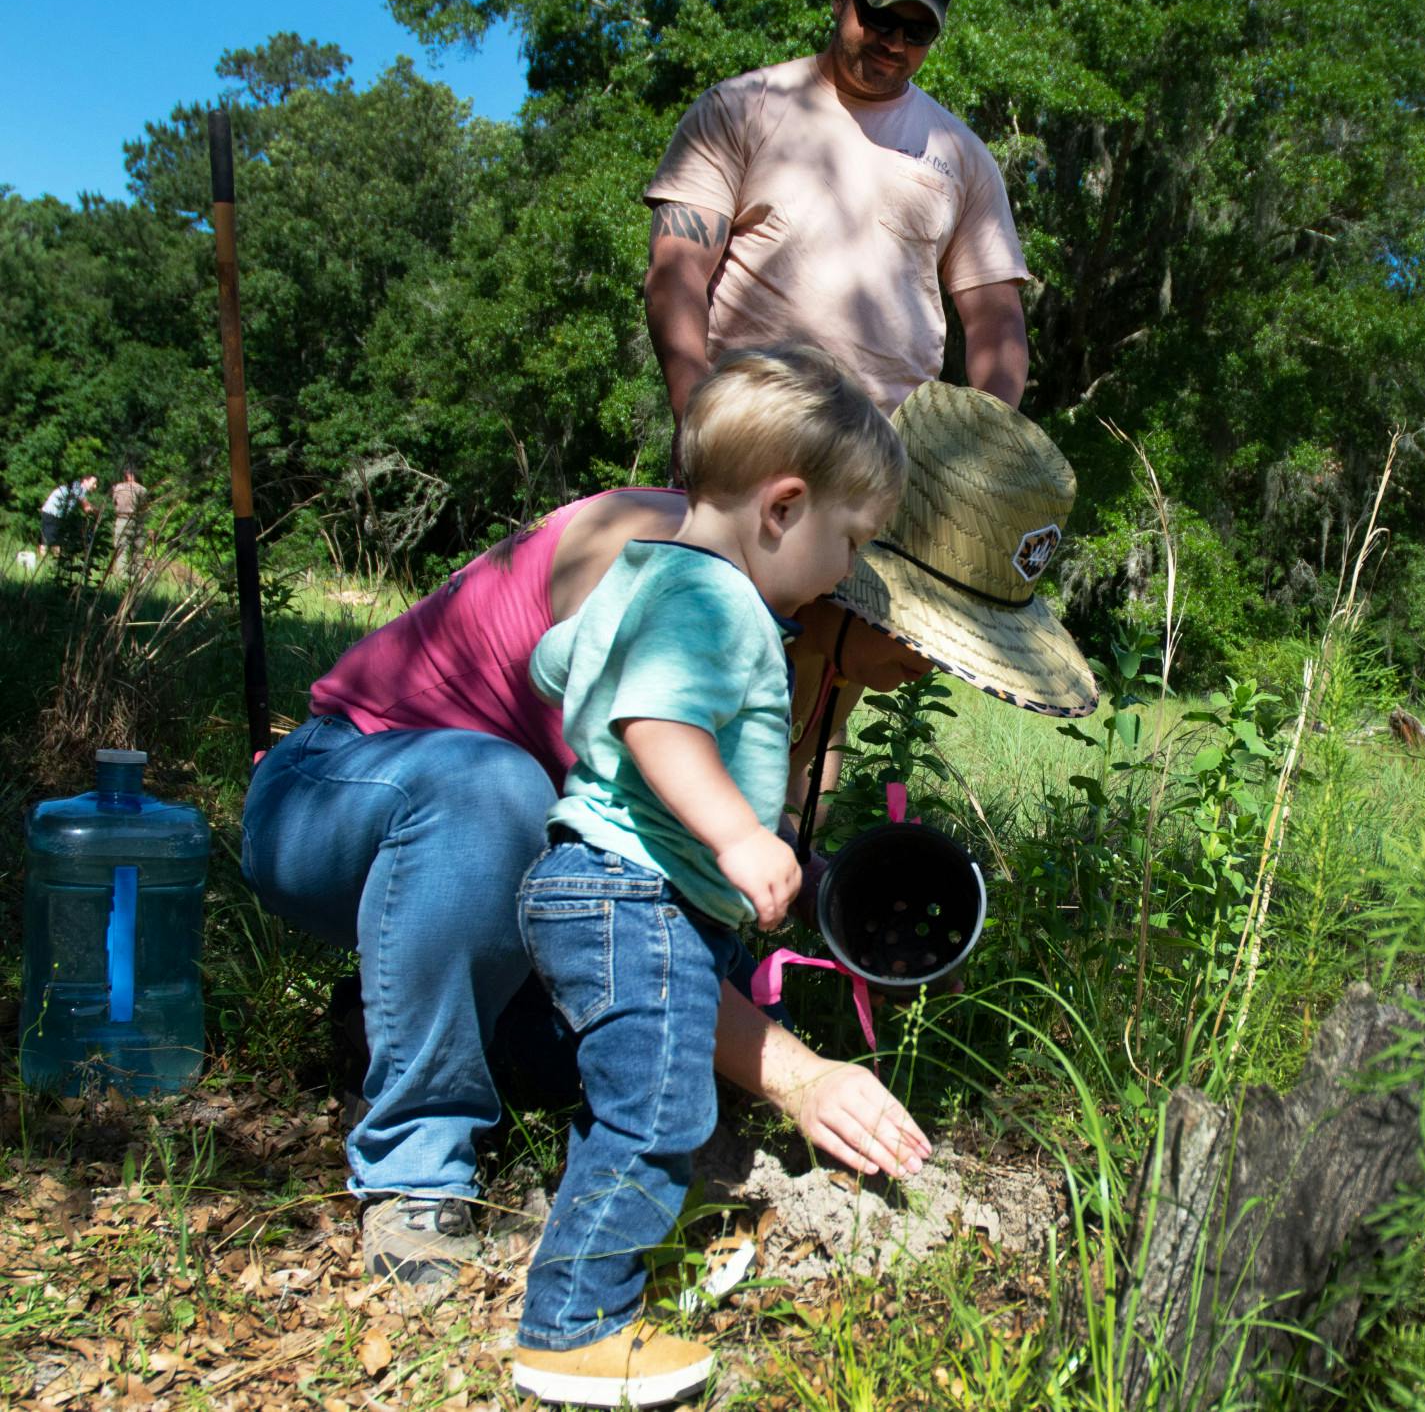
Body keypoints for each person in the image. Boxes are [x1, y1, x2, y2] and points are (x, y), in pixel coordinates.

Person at [238, 375, 1096, 1296]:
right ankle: (415, 1165)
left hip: (528, 868)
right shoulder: (670, 572)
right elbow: (629, 891)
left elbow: (724, 869)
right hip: (341, 800)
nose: (926, 664)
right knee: (500, 790)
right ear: (814, 526)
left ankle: (411, 1013)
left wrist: (841, 914)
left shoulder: (803, 643)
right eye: (931, 635)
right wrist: (800, 1077)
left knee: (622, 1042)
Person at [509, 347, 905, 1405]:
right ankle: (574, 1330)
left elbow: (556, 666)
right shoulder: (723, 604)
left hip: (587, 881)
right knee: (656, 1108)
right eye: (850, 541)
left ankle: (589, 1211)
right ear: (782, 506)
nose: (844, 575)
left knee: (625, 1083)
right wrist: (736, 836)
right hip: (630, 892)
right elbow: (657, 720)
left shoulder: (641, 569)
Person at [643, 0, 1029, 475]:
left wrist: (981, 449)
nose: (894, 42)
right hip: (744, 446)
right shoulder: (738, 110)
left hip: (888, 472)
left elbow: (997, 323)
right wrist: (693, 414)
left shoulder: (962, 155)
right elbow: (675, 273)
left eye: (917, 32)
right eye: (880, 16)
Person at [37, 473, 98, 560]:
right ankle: (43, 562)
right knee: (46, 540)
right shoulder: (78, 488)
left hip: (57, 515)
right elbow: (86, 507)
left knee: (56, 541)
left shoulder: (77, 488)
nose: (95, 486)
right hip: (52, 513)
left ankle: (55, 562)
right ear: (85, 481)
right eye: (94, 483)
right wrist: (97, 512)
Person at [110, 465, 148, 576]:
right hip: (136, 521)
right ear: (134, 475)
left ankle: (121, 575)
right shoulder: (141, 489)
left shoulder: (117, 487)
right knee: (138, 550)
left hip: (121, 520)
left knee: (121, 548)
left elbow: (114, 502)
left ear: (125, 475)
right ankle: (138, 574)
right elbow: (144, 506)